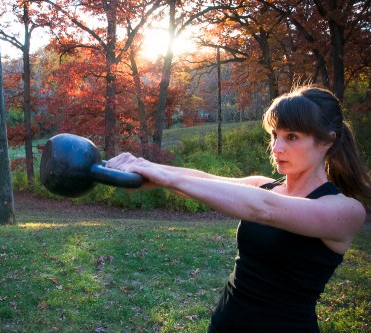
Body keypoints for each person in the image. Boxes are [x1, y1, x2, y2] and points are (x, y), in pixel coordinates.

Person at [106, 85, 370, 332]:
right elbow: (206, 181)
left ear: (328, 141)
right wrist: (149, 169)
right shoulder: (264, 185)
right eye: (275, 135)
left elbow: (264, 209)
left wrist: (165, 177)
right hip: (225, 323)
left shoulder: (345, 211)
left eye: (292, 137)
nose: (277, 148)